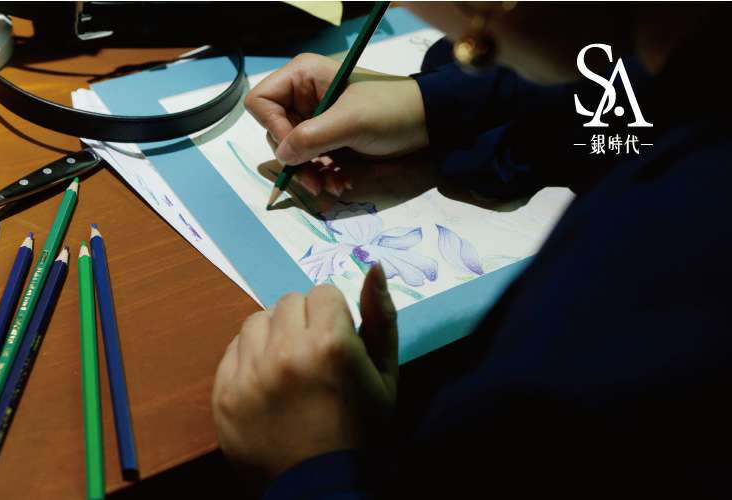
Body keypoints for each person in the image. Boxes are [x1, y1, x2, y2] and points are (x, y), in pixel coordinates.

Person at [212, 3, 731, 498]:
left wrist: (314, 466)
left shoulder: (647, 275)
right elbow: (618, 94)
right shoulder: (683, 55)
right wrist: (432, 103)